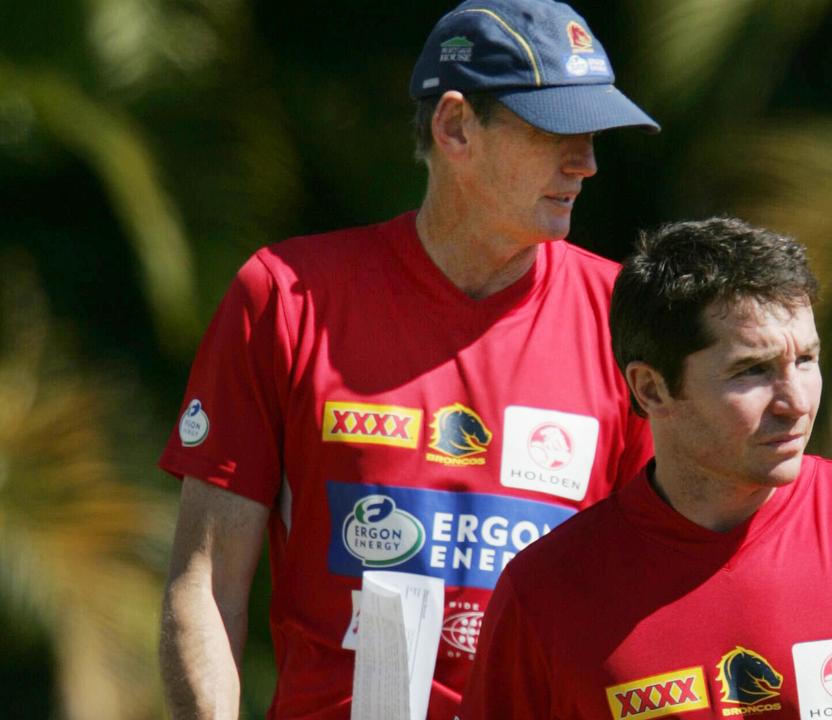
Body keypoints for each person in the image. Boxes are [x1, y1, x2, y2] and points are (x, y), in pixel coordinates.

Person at [158, 1, 659, 717]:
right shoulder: (286, 297)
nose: (587, 163)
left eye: (592, 135)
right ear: (456, 127)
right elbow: (204, 583)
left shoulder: (624, 320)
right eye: (558, 132)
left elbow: (655, 592)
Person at [462, 217, 832, 720]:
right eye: (752, 371)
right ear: (651, 390)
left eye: (806, 359)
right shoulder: (545, 592)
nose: (796, 400)